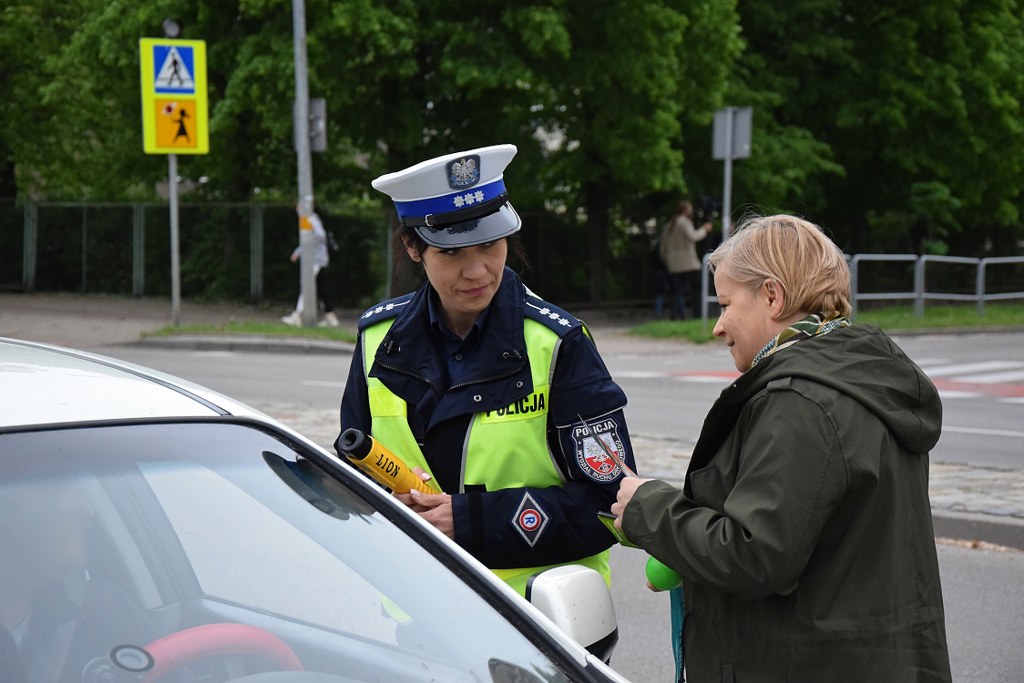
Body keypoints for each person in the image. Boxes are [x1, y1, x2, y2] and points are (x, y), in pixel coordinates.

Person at [612, 215, 952, 682]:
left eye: (726, 304)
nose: (717, 326)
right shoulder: (857, 378)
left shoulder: (799, 402)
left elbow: (755, 555)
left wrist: (648, 507)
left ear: (772, 296)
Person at [338, 144, 636, 596]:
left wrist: (469, 520)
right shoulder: (377, 336)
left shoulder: (558, 343)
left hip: (539, 620)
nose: (477, 270)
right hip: (413, 609)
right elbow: (348, 477)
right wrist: (385, 501)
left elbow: (608, 504)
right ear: (412, 247)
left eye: (489, 244)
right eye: (452, 252)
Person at [282, 203, 340, 328]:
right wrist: (298, 252)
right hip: (316, 259)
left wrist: (304, 250)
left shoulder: (309, 219)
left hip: (315, 259)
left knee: (306, 285)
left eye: (298, 206)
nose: (296, 209)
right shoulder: (309, 219)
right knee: (320, 286)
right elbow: (307, 238)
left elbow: (318, 236)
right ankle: (330, 316)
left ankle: (297, 314)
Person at [659, 201, 712, 320]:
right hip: (689, 263)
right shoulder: (684, 222)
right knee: (698, 289)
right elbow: (693, 236)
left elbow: (663, 245)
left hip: (673, 264)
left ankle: (675, 317)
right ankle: (698, 314)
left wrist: (666, 259)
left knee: (676, 292)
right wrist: (704, 229)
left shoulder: (670, 224)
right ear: (685, 210)